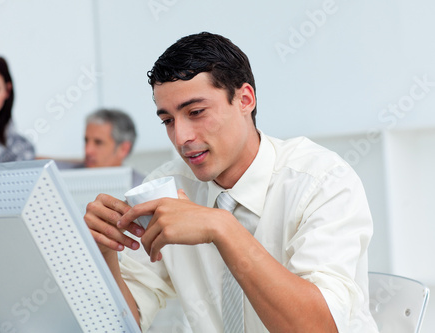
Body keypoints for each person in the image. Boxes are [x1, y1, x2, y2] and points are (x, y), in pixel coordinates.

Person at [85, 32, 378, 332]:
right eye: (168, 120)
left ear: (245, 99)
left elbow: (319, 328)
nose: (181, 137)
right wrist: (106, 253)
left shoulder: (322, 182)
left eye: (196, 112)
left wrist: (222, 227)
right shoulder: (167, 186)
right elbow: (120, 322)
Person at [83, 108, 144, 186]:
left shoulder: (142, 189)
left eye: (98, 142)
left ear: (123, 149)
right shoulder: (64, 175)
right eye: (86, 141)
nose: (87, 150)